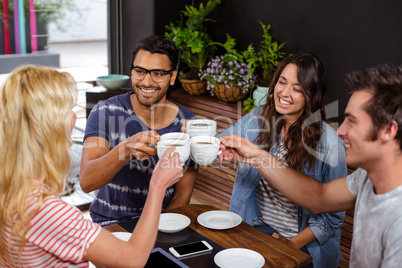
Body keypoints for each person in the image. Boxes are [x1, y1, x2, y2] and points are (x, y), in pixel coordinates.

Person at [219, 64, 402, 267]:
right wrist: (256, 155)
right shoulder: (364, 179)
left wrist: (290, 244)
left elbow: (328, 217)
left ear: (388, 130)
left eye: (352, 121)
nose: (340, 130)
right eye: (282, 82)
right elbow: (319, 197)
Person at [0, 65, 184, 267]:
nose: (73, 117)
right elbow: (133, 260)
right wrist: (158, 185)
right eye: (69, 109)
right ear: (49, 125)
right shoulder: (47, 211)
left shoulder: (12, 190)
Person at [217, 52, 348, 267]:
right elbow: (220, 141)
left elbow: (332, 218)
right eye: (282, 82)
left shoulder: (330, 144)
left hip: (303, 243)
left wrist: (290, 244)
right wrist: (208, 142)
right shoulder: (258, 118)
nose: (284, 93)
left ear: (311, 95)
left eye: (297, 89)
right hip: (256, 226)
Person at [80, 35, 197, 226]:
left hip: (162, 223)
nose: (147, 82)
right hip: (110, 224)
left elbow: (183, 194)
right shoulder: (105, 111)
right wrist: (125, 149)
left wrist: (158, 232)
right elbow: (87, 182)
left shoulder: (188, 123)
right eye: (140, 71)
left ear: (173, 77)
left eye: (158, 73)